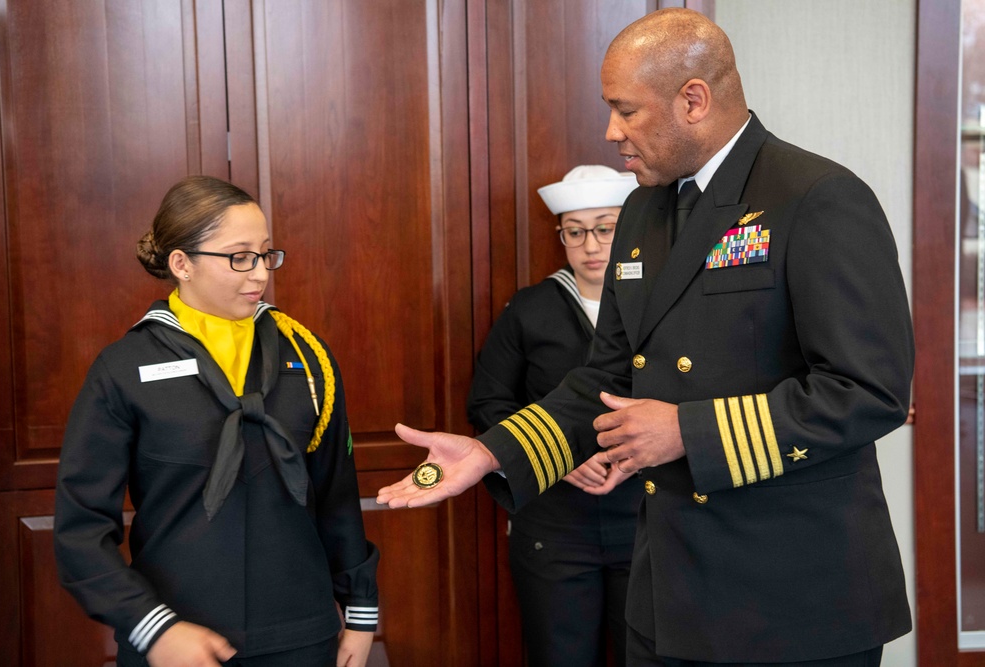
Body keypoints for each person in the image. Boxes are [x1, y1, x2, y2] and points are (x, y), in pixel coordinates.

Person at [378, 8, 913, 666]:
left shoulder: (815, 198)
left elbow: (869, 390)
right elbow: (607, 379)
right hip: (669, 596)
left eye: (625, 110)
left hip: (791, 599)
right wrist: (493, 453)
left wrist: (689, 430)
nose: (612, 132)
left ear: (694, 99)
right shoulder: (643, 208)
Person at [54, 175, 379, 667]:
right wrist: (153, 628)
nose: (260, 275)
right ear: (181, 264)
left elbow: (336, 494)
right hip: (176, 635)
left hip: (301, 633)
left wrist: (359, 612)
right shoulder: (124, 368)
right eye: (239, 257)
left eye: (266, 255)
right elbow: (80, 529)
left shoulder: (307, 357)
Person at [467, 165, 640, 667]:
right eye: (575, 231)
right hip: (555, 521)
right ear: (561, 235)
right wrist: (557, 457)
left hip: (647, 515)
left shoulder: (660, 303)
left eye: (606, 228)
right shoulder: (530, 308)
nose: (591, 245)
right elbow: (488, 402)